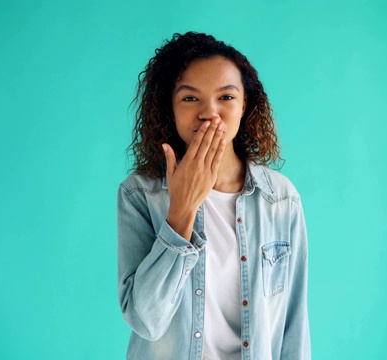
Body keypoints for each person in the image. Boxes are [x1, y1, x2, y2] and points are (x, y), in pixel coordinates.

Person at [117, 32, 310, 360]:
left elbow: (293, 323)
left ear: (244, 104)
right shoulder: (140, 195)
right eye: (190, 98)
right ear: (171, 107)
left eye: (226, 97)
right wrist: (182, 209)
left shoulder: (280, 199)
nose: (210, 113)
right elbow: (145, 321)